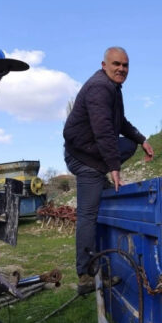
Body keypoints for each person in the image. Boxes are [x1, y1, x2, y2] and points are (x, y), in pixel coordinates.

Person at [63, 47, 154, 294]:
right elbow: (103, 130)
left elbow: (120, 123)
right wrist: (113, 168)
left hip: (92, 152)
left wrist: (142, 139)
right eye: (116, 64)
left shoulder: (114, 89)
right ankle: (84, 275)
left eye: (125, 65)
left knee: (129, 143)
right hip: (81, 156)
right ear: (104, 65)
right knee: (88, 214)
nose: (121, 69)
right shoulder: (99, 88)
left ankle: (100, 261)